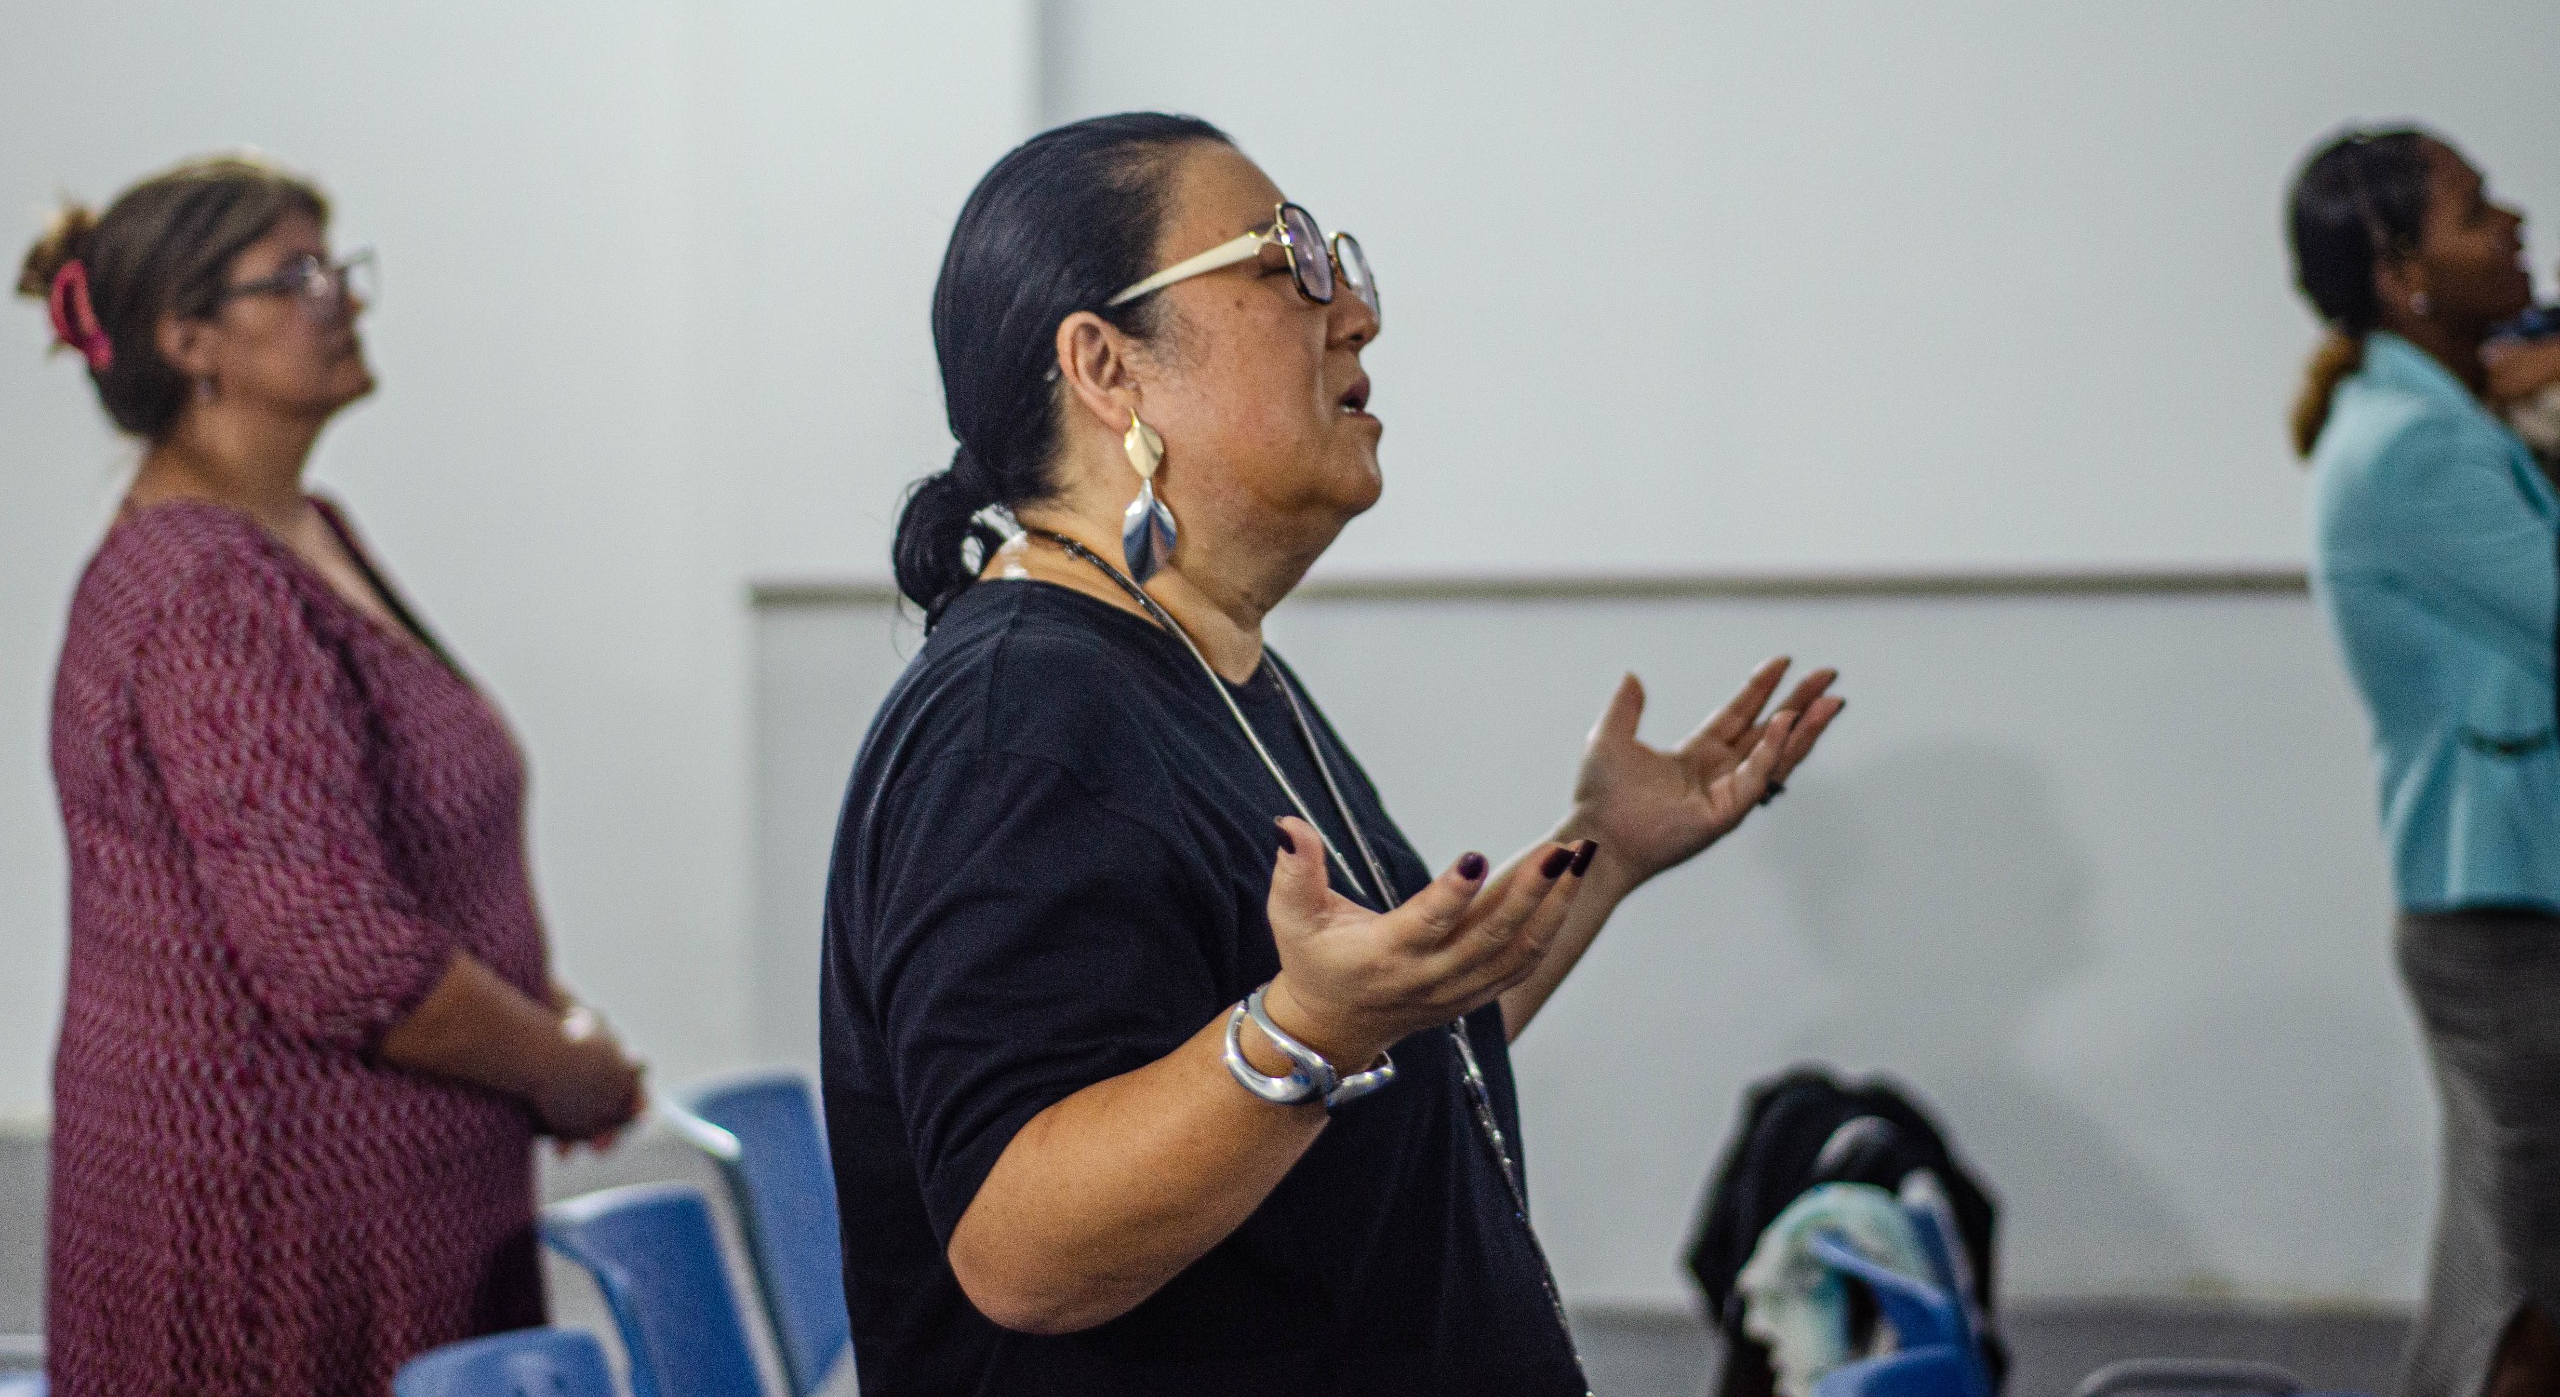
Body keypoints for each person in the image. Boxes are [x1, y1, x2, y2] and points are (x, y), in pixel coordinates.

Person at [822, 112, 1845, 1395]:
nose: (1354, 315)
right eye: (1284, 264)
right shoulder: (1017, 719)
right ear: (1106, 367)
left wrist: (1602, 852)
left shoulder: (1206, 670)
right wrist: (1307, 1026)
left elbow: (1391, 1047)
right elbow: (1023, 1250)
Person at [18, 155, 647, 1397]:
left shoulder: (304, 535)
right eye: (296, 275)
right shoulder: (211, 591)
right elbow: (336, 950)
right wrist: (557, 1064)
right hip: (273, 1248)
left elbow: (402, 866)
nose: (341, 298)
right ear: (190, 340)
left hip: (388, 1212)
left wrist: (544, 1016)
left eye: (337, 266)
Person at [2289, 126, 2560, 1397]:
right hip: (2506, 909)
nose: (2511, 223)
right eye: (2471, 211)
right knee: (2531, 1304)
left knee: (2501, 1286)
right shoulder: (2413, 446)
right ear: (2401, 272)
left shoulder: (2433, 419)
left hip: (2498, 898)